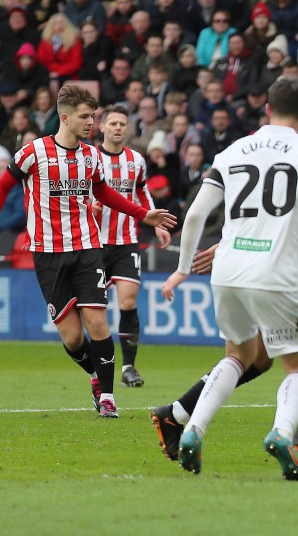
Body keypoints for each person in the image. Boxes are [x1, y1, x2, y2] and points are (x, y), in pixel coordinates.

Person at [151, 72, 298, 465]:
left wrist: (208, 253)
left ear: (268, 107)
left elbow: (200, 209)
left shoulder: (237, 147)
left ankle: (180, 417)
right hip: (279, 261)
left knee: (252, 355)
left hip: (236, 261)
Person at [0, 84, 176, 418]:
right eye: (86, 117)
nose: (91, 124)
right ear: (65, 117)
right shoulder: (33, 153)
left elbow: (104, 192)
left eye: (93, 117)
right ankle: (96, 377)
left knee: (98, 323)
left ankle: (109, 397)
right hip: (48, 253)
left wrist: (143, 213)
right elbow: (2, 187)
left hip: (87, 248)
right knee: (71, 338)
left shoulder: (90, 155)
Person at [93, 105, 172, 387]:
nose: (118, 128)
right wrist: (88, 206)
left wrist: (157, 223)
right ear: (101, 127)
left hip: (126, 241)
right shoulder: (89, 157)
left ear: (128, 128)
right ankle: (98, 367)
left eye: (122, 124)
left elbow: (142, 192)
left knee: (127, 301)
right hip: (94, 243)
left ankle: (128, 367)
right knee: (94, 310)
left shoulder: (136, 160)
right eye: (112, 123)